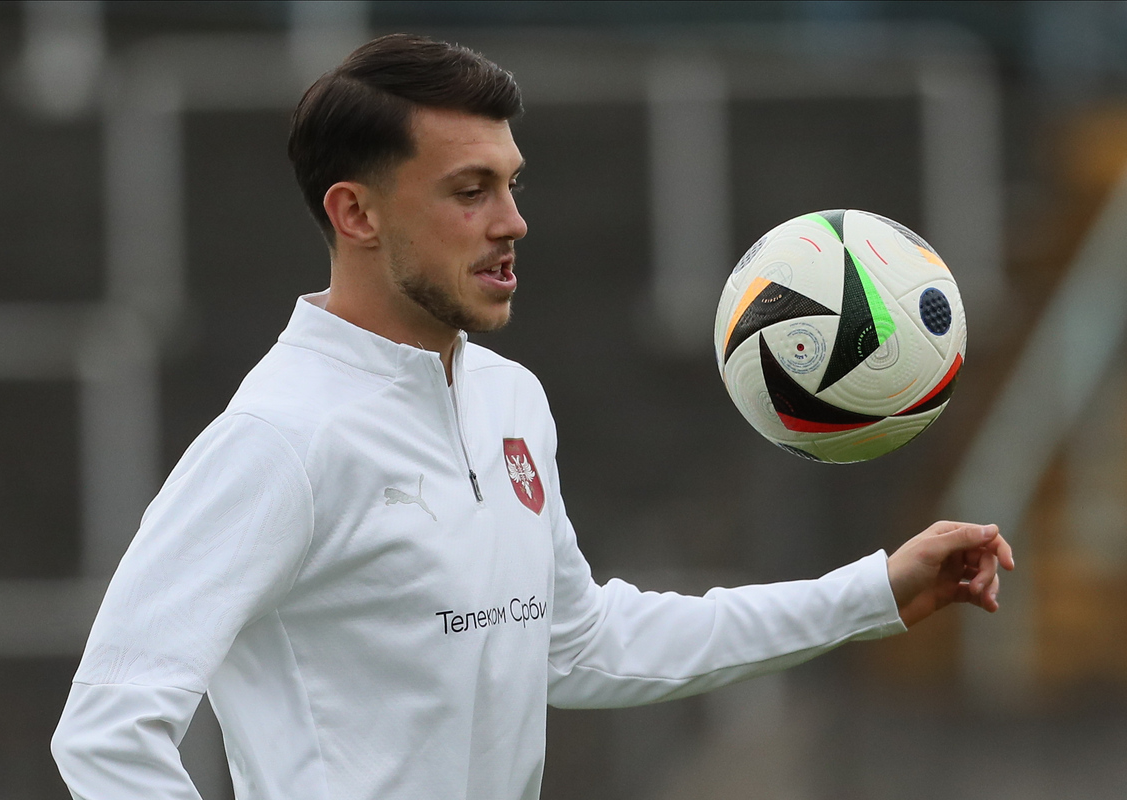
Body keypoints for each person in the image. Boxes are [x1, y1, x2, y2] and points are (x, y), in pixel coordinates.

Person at [51, 33, 1013, 800]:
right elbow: (106, 730)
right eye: (470, 191)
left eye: (512, 183)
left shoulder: (512, 398)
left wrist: (873, 592)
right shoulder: (282, 439)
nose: (512, 221)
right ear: (356, 213)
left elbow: (582, 643)